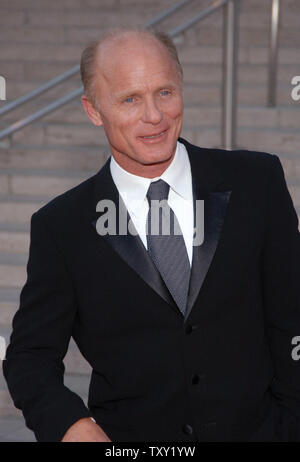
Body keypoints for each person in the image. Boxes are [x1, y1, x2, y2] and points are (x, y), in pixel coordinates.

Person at [3, 27, 300, 442]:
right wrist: (71, 424)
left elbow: (290, 317)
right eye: (130, 99)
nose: (155, 116)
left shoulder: (257, 182)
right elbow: (29, 357)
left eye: (165, 92)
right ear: (93, 110)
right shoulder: (62, 226)